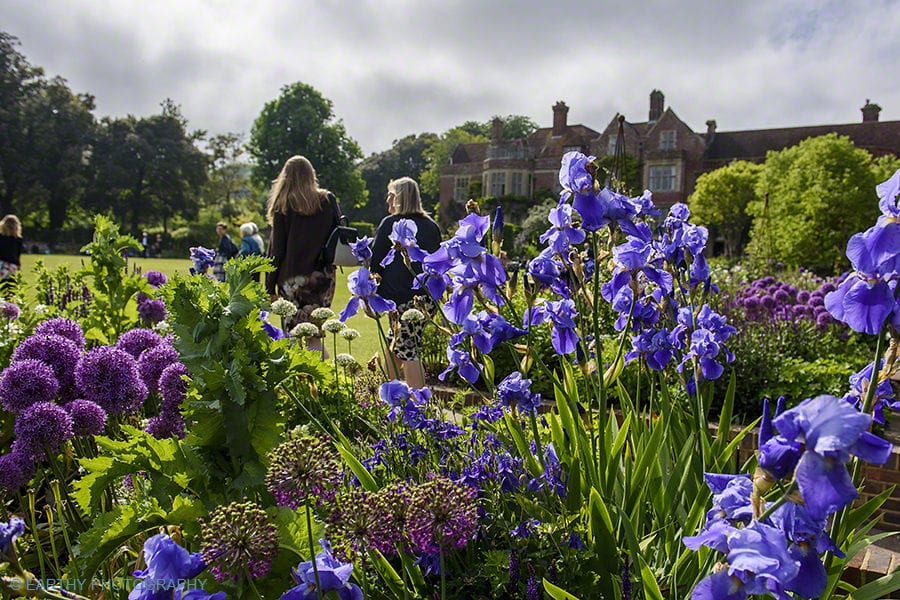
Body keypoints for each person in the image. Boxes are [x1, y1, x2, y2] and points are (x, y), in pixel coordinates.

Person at [370, 177, 442, 388]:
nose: (388, 200)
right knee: (398, 345)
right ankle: (380, 393)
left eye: (391, 195)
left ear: (400, 197)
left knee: (409, 349)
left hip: (401, 298)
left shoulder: (390, 224)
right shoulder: (431, 226)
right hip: (427, 298)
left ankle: (418, 404)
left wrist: (375, 295)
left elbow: (376, 263)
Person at [266, 156, 340, 353]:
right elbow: (338, 234)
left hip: (291, 279)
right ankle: (321, 381)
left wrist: (269, 287)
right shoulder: (327, 200)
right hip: (322, 278)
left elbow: (277, 250)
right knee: (314, 334)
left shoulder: (283, 205)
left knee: (293, 335)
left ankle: (299, 381)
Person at [0, 215, 23, 296]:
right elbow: (18, 253)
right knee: (11, 287)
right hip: (12, 265)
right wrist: (19, 264)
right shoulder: (18, 239)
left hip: (2, 263)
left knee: (2, 285)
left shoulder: (1, 237)